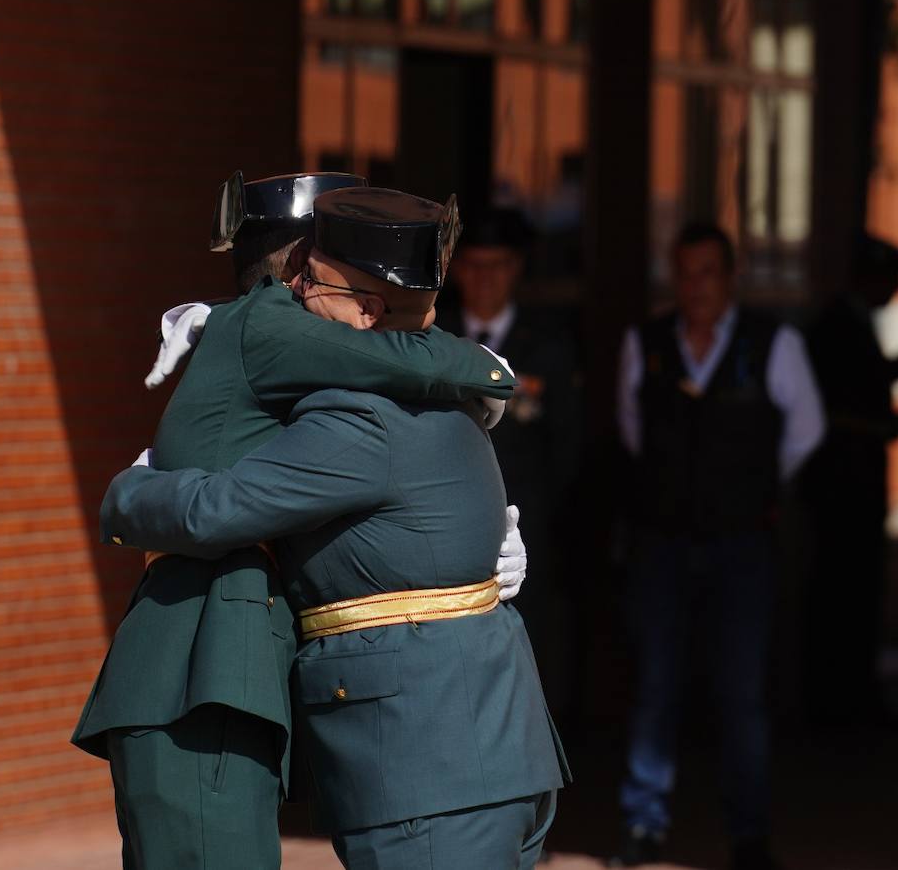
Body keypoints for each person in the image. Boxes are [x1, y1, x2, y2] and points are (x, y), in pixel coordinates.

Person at [104, 186, 569, 870]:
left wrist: (130, 491)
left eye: (308, 279)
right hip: (485, 752)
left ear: (365, 311)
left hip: (429, 770)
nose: (292, 289)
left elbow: (214, 510)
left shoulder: (360, 418)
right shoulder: (445, 398)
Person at [613, 222, 825, 870]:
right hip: (664, 542)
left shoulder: (775, 343)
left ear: (731, 277)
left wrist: (752, 485)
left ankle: (749, 834)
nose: (696, 285)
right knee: (655, 685)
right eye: (685, 272)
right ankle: (643, 824)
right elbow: (633, 430)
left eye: (709, 271)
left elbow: (807, 430)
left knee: (742, 693)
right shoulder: (644, 343)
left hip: (742, 546)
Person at [443, 206, 584, 720]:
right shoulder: (436, 338)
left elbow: (569, 448)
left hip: (529, 528)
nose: (485, 278)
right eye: (475, 264)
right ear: (458, 271)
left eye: (498, 265)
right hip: (449, 524)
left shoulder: (549, 347)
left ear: (516, 269)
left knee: (531, 667)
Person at [800, 232, 898, 730]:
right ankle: (841, 704)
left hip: (854, 485)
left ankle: (849, 701)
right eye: (892, 281)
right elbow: (828, 409)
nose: (895, 291)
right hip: (842, 489)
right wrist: (883, 427)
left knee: (854, 593)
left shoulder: (851, 323)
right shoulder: (837, 326)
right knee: (844, 595)